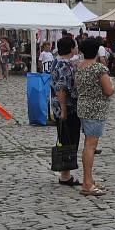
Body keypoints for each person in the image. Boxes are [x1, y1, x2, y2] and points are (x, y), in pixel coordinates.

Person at [75, 38, 114, 197]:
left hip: (83, 106)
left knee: (88, 144)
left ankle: (89, 180)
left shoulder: (80, 66)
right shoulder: (99, 68)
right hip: (96, 109)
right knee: (90, 146)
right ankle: (87, 183)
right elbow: (108, 90)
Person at [51, 36, 82, 186]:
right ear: (71, 48)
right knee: (69, 140)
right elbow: (61, 88)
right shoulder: (64, 65)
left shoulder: (58, 61)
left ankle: (66, 172)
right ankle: (65, 175)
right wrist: (63, 109)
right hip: (67, 108)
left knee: (66, 138)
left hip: (61, 106)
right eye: (75, 46)